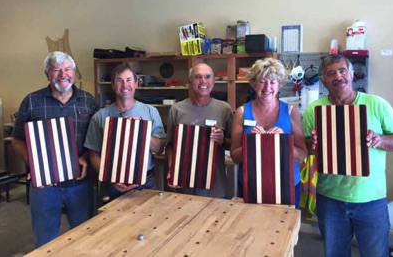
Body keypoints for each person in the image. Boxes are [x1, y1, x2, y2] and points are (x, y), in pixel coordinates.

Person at [302, 54, 393, 257]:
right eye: (331, 73)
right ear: (324, 79)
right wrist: (313, 146)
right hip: (330, 199)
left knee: (375, 254)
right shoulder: (314, 110)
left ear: (352, 75)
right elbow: (306, 148)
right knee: (335, 254)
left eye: (342, 70)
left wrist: (380, 139)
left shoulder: (376, 104)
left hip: (371, 200)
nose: (338, 76)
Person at [11, 51, 98, 248]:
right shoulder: (31, 101)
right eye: (56, 70)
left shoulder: (88, 101)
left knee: (84, 238)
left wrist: (85, 156)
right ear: (47, 74)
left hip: (80, 184)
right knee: (45, 241)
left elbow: (95, 138)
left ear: (74, 72)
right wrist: (35, 165)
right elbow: (17, 140)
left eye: (67, 69)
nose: (62, 74)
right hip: (44, 189)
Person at [230, 57, 307, 208]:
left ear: (279, 85)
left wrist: (282, 142)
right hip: (251, 184)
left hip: (286, 183)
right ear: (254, 84)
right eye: (262, 81)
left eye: (272, 82)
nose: (267, 87)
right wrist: (251, 142)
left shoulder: (291, 112)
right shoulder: (242, 112)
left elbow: (302, 154)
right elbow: (235, 157)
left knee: (285, 230)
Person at [84, 64, 166, 202]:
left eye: (128, 80)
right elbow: (93, 154)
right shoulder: (100, 116)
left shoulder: (150, 112)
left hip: (144, 182)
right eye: (119, 80)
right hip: (111, 185)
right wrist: (109, 178)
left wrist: (141, 131)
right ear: (113, 84)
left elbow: (159, 148)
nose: (124, 85)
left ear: (136, 83)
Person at [165, 63, 233, 198]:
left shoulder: (224, 109)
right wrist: (173, 170)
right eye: (198, 77)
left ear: (213, 82)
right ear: (190, 81)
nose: (203, 81)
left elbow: (234, 144)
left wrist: (222, 140)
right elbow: (170, 145)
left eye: (208, 77)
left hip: (216, 189)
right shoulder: (177, 110)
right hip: (184, 187)